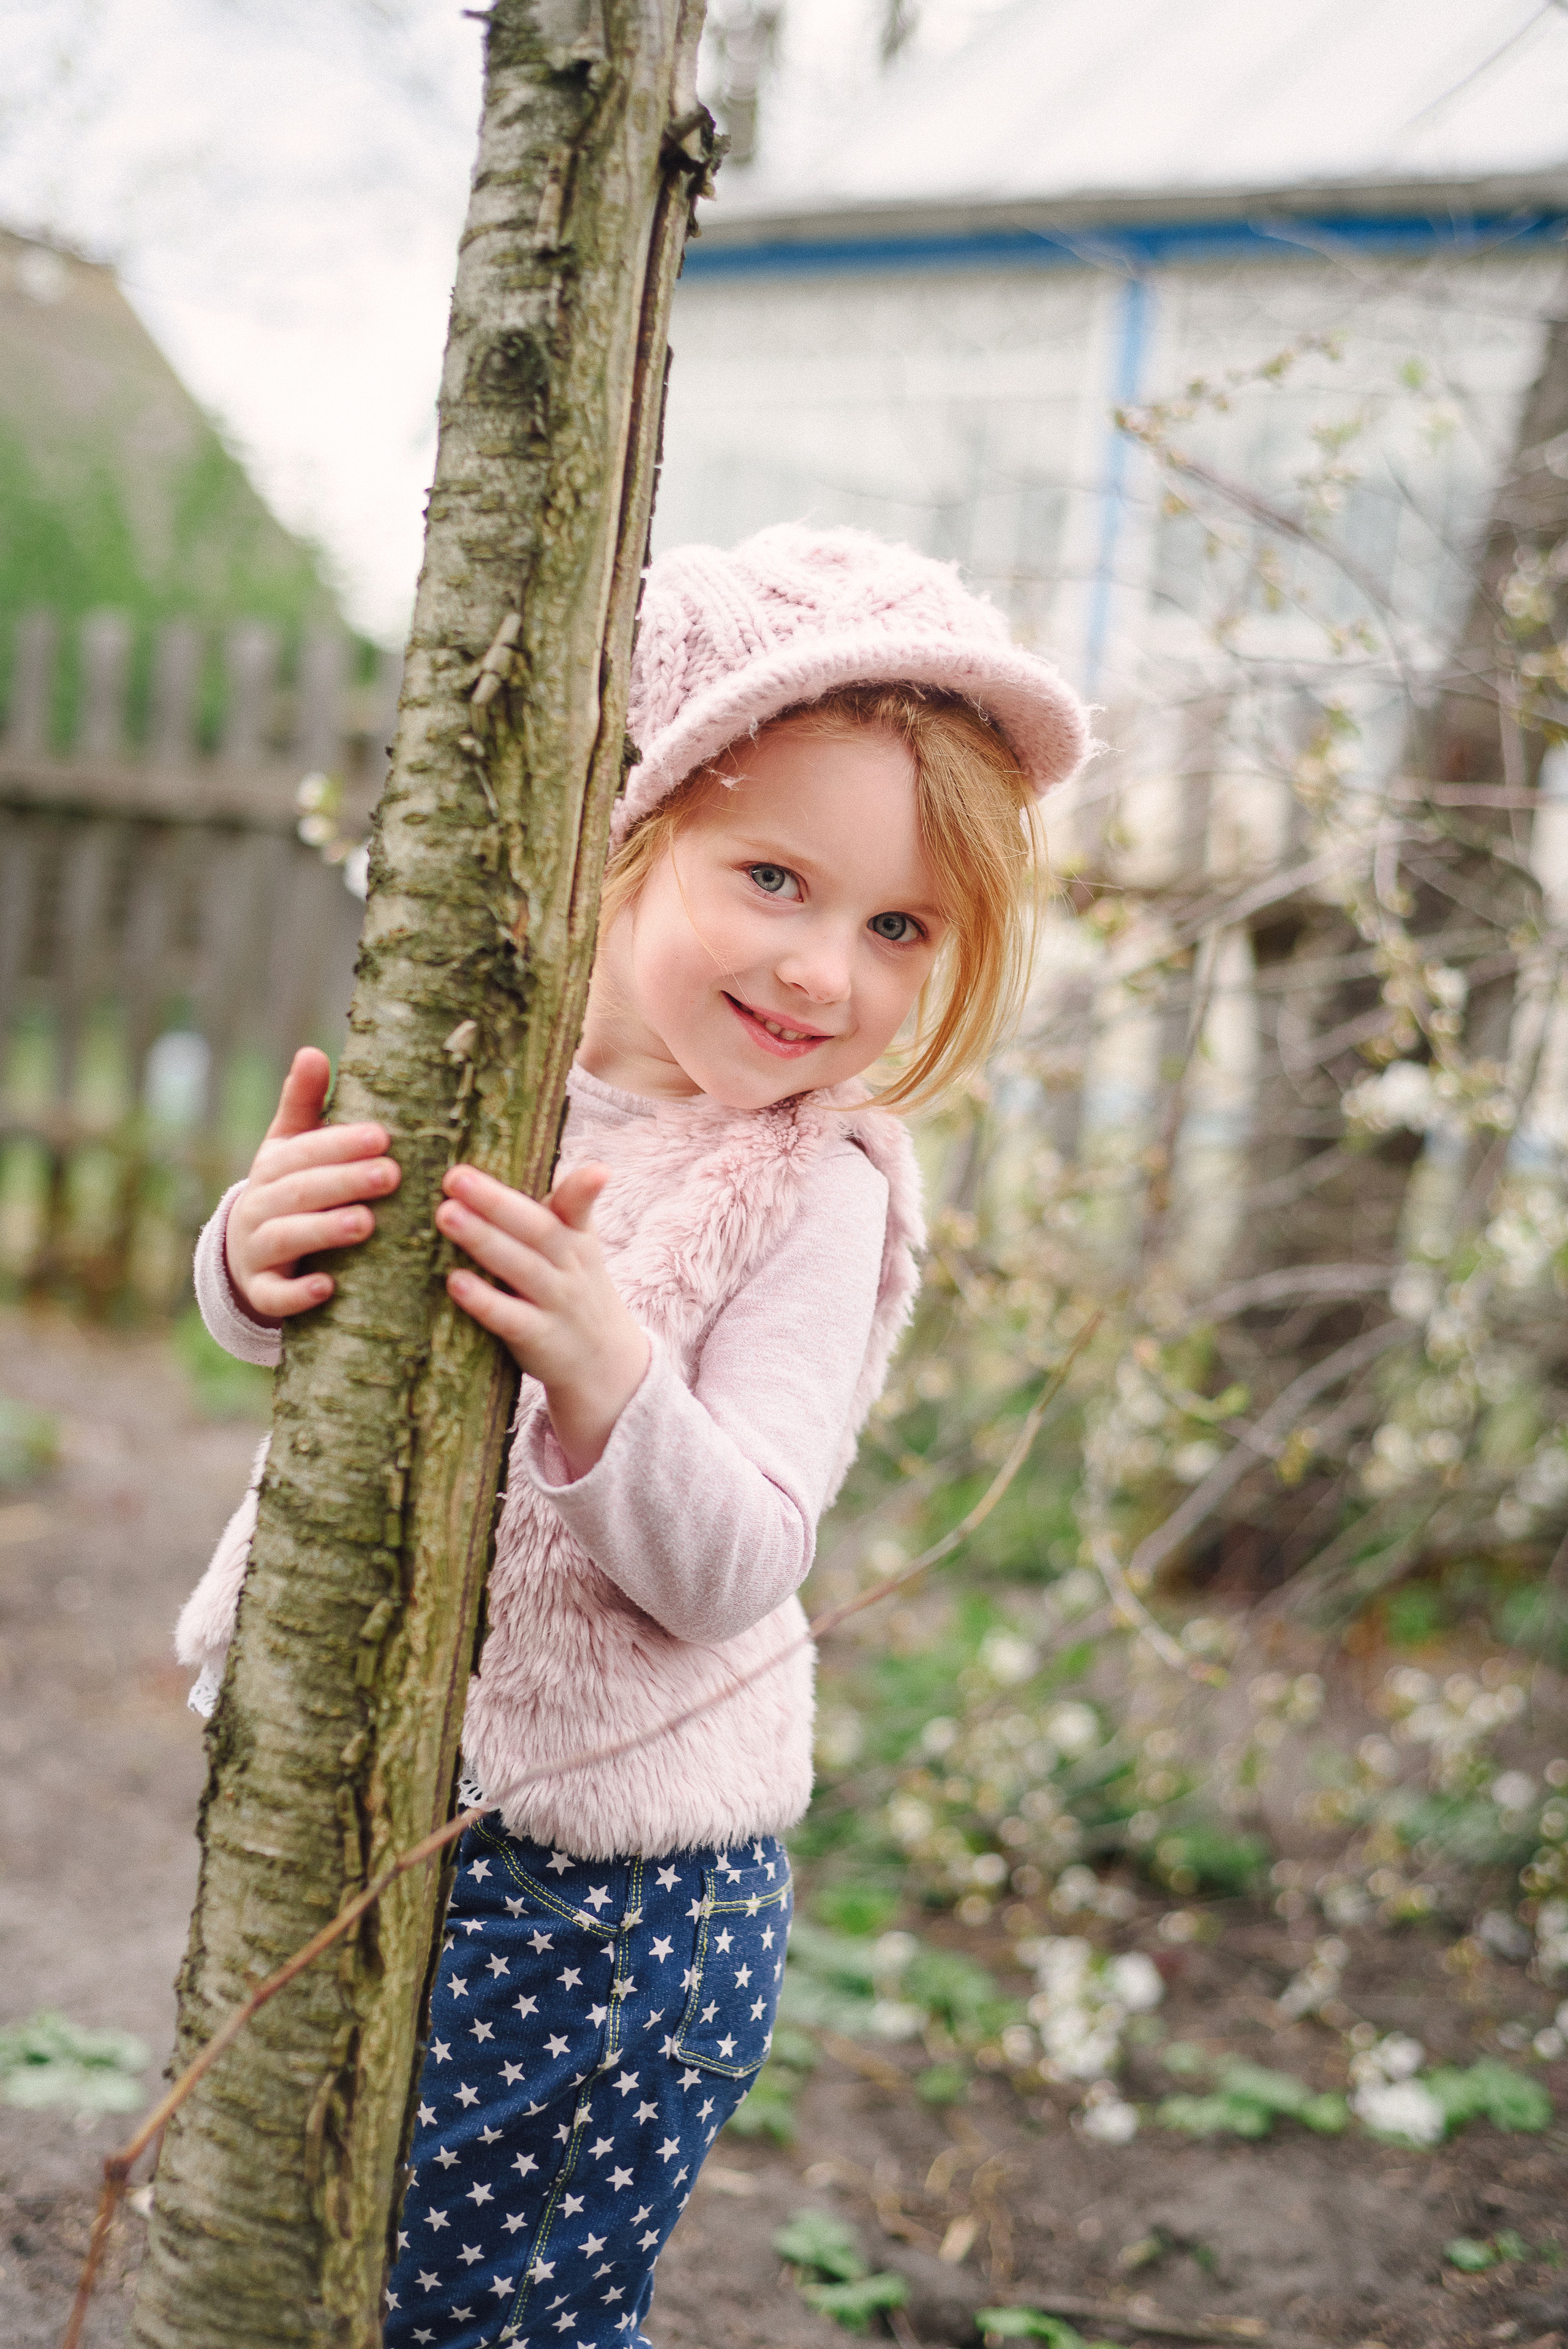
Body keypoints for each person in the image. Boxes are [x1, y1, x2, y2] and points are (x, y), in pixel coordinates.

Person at [175, 524, 1089, 2349]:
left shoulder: (811, 1186)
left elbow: (745, 1553)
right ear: (635, 828)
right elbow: (330, 1349)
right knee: (285, 2243)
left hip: (594, 1904)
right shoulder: (482, 1066)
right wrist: (248, 1258)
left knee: (484, 2312)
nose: (825, 970)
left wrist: (611, 1373)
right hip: (342, 1794)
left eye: (898, 926)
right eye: (776, 876)